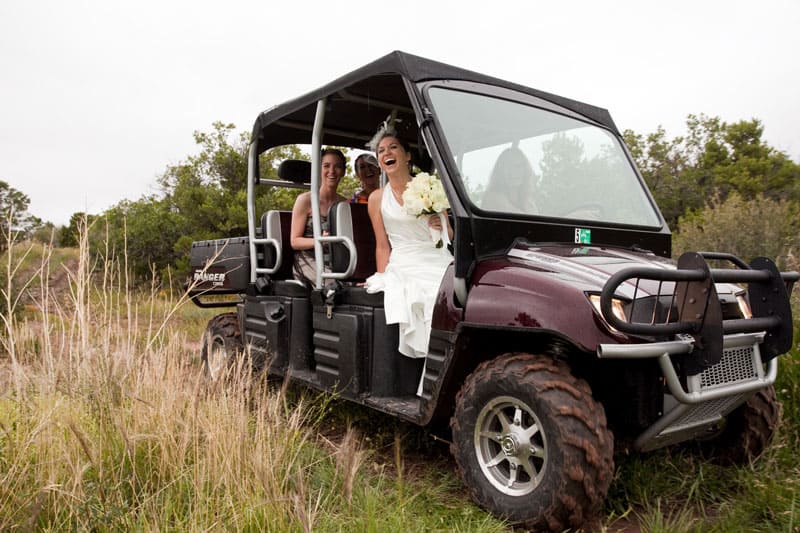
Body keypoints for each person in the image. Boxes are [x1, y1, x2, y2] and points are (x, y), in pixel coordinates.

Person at [365, 128, 453, 394]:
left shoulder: (429, 186)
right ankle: (432, 383)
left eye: (392, 148)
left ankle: (445, 376)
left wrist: (440, 223)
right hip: (404, 260)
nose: (386, 153)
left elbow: (448, 235)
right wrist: (383, 275)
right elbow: (382, 244)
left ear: (407, 155)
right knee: (423, 296)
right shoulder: (377, 198)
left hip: (435, 254)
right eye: (381, 151)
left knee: (451, 293)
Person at [290, 148, 348, 287]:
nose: (332, 171)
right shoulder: (305, 200)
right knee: (336, 287)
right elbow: (295, 241)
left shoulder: (344, 204)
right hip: (308, 259)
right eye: (326, 166)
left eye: (337, 166)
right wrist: (320, 241)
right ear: (319, 169)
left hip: (337, 259)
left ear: (344, 172)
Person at [481, 146, 539, 214]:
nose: (513, 172)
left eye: (518, 166)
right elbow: (526, 220)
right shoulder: (493, 197)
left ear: (525, 170)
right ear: (500, 171)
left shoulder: (528, 201)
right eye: (508, 167)